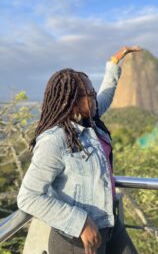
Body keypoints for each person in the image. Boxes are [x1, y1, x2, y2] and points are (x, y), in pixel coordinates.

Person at [17, 46, 141, 254]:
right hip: (77, 239)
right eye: (89, 94)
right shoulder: (55, 140)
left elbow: (106, 95)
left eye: (92, 93)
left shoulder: (88, 120)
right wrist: (80, 221)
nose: (94, 98)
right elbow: (28, 196)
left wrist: (113, 63)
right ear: (71, 102)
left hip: (109, 222)